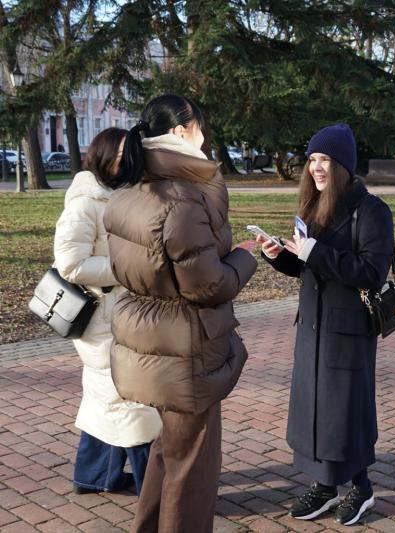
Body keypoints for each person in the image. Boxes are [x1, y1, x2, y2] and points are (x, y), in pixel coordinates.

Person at [103, 94, 257, 532]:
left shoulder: (129, 192)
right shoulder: (181, 199)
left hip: (149, 342)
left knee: (168, 453)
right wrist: (246, 257)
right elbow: (207, 284)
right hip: (186, 345)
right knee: (192, 468)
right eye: (200, 128)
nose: (205, 138)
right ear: (180, 132)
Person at [257, 123, 393, 526]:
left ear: (343, 165)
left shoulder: (371, 211)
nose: (316, 167)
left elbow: (372, 271)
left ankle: (361, 487)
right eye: (313, 159)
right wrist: (278, 255)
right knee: (314, 409)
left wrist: (316, 253)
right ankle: (324, 484)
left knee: (345, 410)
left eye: (325, 160)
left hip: (348, 330)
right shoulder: (314, 206)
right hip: (313, 327)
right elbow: (306, 268)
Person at [54, 128, 161, 496]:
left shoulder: (121, 194)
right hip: (103, 318)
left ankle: (95, 475)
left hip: (122, 313)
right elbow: (70, 263)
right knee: (133, 400)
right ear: (99, 154)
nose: (121, 162)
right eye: (116, 155)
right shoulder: (85, 202)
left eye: (126, 155)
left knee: (109, 399)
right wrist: (126, 266)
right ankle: (155, 486)